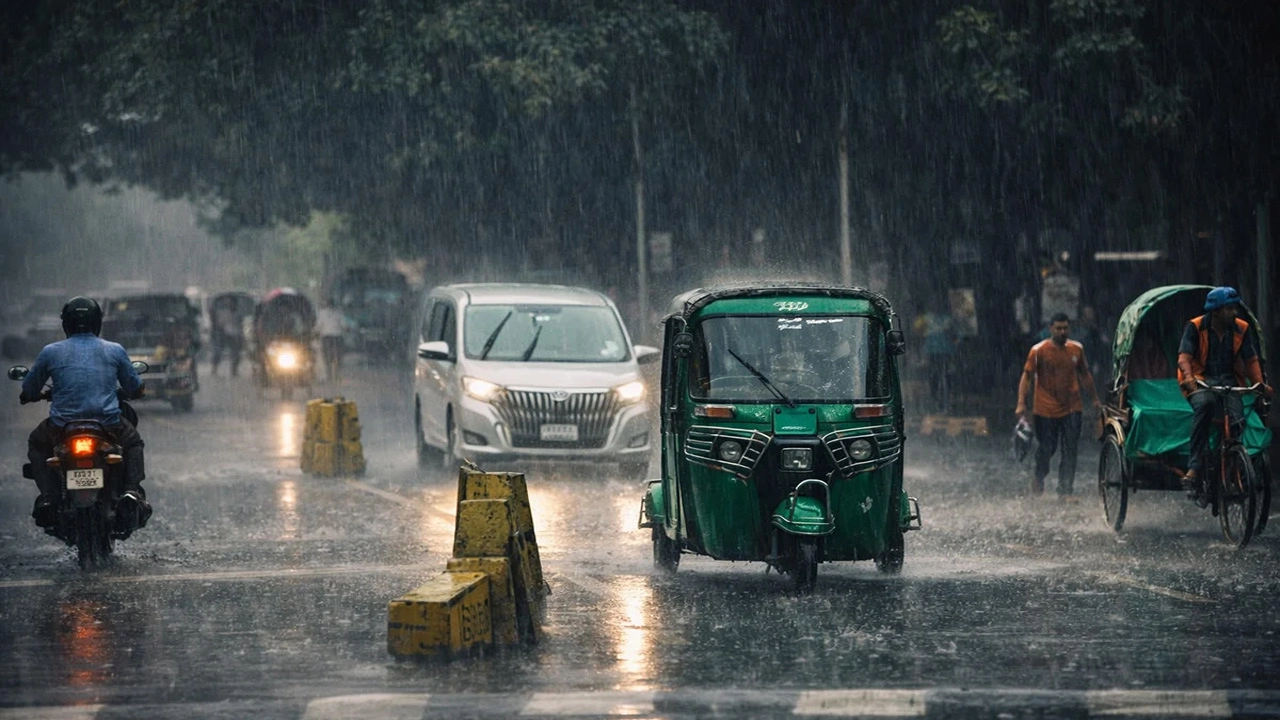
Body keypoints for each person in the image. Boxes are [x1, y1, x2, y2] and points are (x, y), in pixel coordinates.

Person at [20, 296, 150, 530]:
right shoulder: (114, 350)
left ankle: (49, 496)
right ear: (97, 322)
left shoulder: (50, 352)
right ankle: (131, 492)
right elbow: (134, 387)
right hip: (108, 425)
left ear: (66, 324)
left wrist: (29, 395)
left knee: (37, 443)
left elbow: (29, 388)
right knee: (132, 442)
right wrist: (137, 391)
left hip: (62, 427)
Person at [1176, 287, 1272, 503]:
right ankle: (1194, 467)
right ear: (1216, 311)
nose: (1235, 313)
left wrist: (1260, 384)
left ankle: (1233, 463)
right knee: (1205, 405)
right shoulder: (1196, 326)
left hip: (1229, 381)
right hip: (1200, 380)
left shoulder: (1241, 329)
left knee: (1238, 418)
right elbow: (1184, 357)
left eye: (1235, 307)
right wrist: (1190, 378)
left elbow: (1251, 360)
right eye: (1229, 309)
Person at [1015, 312, 1101, 497]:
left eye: (1065, 328)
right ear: (1050, 329)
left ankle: (1065, 491)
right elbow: (1027, 376)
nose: (1062, 332)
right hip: (1045, 409)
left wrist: (1094, 399)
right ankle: (1039, 476)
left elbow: (1085, 374)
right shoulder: (1038, 351)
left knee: (1070, 450)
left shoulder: (1077, 349)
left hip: (1072, 407)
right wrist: (1021, 402)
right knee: (1047, 449)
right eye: (1058, 328)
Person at [211, 301, 244, 376]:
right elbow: (219, 323)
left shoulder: (238, 314)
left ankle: (234, 370)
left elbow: (240, 326)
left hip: (235, 335)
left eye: (233, 304)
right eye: (230, 304)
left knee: (236, 354)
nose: (232, 306)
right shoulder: (223, 313)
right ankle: (214, 368)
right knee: (218, 351)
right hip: (224, 334)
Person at [316, 301, 346, 383]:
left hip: (327, 337)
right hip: (337, 337)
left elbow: (318, 326)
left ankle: (329, 374)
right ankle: (335, 374)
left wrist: (316, 333)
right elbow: (344, 325)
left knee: (327, 357)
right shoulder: (339, 313)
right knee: (338, 357)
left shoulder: (322, 313)